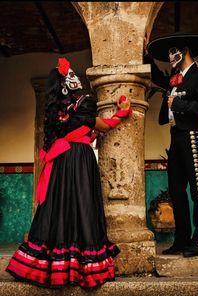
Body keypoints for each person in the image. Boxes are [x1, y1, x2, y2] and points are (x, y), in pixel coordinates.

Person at [6, 57, 132, 288]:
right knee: (83, 204)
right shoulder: (84, 103)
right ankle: (83, 265)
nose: (75, 77)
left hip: (62, 161)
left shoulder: (57, 110)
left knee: (60, 206)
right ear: (66, 84)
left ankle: (56, 264)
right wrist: (122, 112)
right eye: (71, 74)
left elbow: (82, 131)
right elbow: (101, 126)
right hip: (79, 159)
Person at [145, 32, 198, 257]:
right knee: (176, 191)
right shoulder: (175, 78)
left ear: (184, 50)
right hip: (175, 137)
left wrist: (179, 103)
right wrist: (145, 54)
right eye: (167, 53)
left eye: (173, 51)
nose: (170, 56)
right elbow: (156, 76)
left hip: (193, 135)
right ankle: (182, 240)